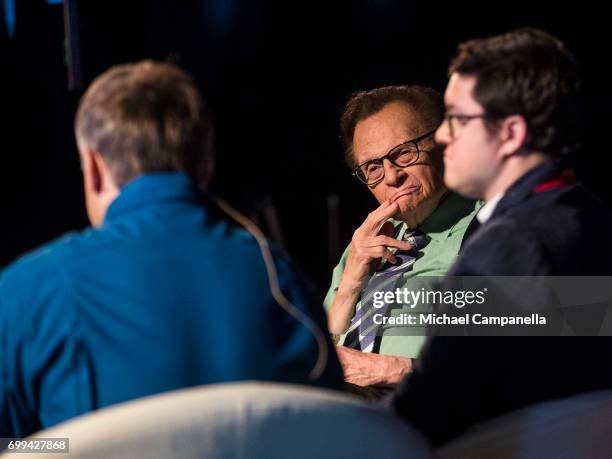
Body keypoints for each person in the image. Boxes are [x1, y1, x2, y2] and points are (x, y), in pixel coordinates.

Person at [0, 60, 342, 437]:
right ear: (207, 164)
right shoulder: (282, 278)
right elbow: (329, 433)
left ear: (94, 167)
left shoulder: (24, 292)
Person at [387, 28, 612, 446]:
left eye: (457, 118)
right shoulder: (588, 215)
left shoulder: (507, 249)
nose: (441, 136)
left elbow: (428, 412)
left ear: (510, 133)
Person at [324, 86, 479, 395]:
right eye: (373, 167)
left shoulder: (493, 225)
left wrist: (396, 369)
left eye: (403, 153)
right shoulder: (365, 244)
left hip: (427, 406)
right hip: (350, 406)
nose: (392, 176)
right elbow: (320, 353)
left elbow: (577, 315)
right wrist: (351, 282)